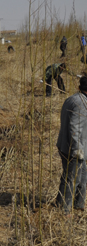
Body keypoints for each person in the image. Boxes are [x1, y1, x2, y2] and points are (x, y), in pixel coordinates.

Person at [55, 76, 87, 216]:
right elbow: (75, 128)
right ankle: (65, 209)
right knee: (72, 178)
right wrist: (77, 151)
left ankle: (78, 204)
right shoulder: (81, 104)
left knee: (81, 176)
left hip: (67, 145)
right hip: (74, 149)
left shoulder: (72, 98)